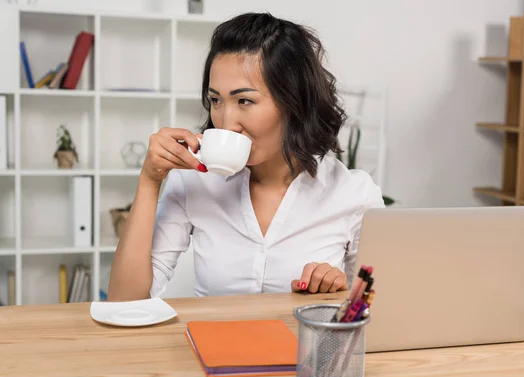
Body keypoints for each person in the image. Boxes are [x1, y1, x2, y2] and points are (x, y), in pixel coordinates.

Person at [107, 12, 384, 301]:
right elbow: (125, 302)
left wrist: (338, 289)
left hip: (301, 347)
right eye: (216, 100)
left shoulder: (353, 194)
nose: (226, 123)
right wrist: (150, 180)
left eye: (244, 101)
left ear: (294, 102)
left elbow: (376, 310)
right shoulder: (193, 181)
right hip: (208, 344)